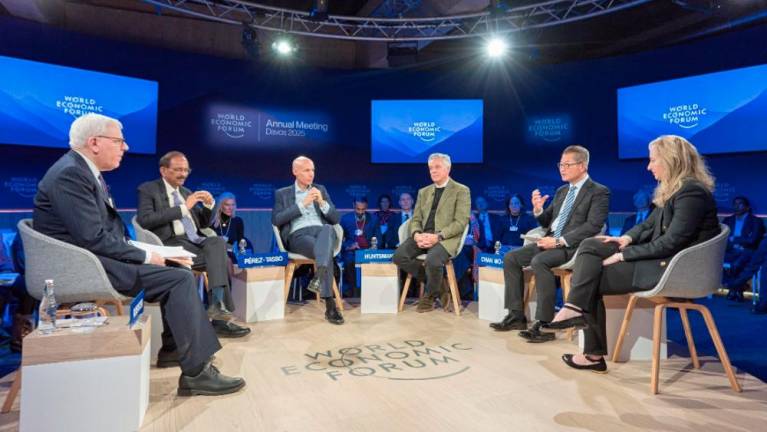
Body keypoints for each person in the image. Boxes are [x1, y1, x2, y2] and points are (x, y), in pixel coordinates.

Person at [33, 113, 244, 396]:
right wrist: (148, 256)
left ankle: (174, 350)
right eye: (119, 141)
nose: (126, 147)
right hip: (85, 266)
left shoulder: (82, 172)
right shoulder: (71, 174)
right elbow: (94, 238)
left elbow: (105, 235)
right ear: (94, 143)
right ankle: (196, 372)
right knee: (179, 278)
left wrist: (150, 250)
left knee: (179, 272)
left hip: (94, 258)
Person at [545, 135, 720, 373]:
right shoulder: (676, 189)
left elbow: (671, 243)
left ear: (671, 160)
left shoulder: (692, 193)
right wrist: (625, 239)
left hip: (670, 268)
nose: (649, 167)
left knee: (588, 278)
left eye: (653, 160)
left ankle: (592, 351)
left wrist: (623, 255)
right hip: (659, 259)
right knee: (590, 245)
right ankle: (575, 309)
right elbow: (648, 225)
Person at [490, 145, 610, 345]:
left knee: (540, 261)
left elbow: (594, 225)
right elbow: (547, 222)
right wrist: (538, 210)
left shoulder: (599, 192)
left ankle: (544, 323)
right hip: (549, 241)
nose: (561, 169)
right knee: (511, 258)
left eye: (567, 164)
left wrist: (558, 241)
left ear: (582, 166)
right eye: (560, 164)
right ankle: (516, 316)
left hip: (572, 247)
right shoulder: (563, 191)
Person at [136, 152, 250, 339]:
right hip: (169, 244)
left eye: (186, 170)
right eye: (178, 170)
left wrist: (208, 204)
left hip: (193, 242)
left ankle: (216, 306)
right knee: (219, 258)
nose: (183, 174)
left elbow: (203, 224)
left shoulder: (186, 193)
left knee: (217, 242)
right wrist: (183, 208)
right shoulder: (148, 190)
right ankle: (219, 317)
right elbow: (145, 220)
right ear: (163, 170)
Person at [392, 153, 471, 312]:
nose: (433, 171)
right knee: (399, 256)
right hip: (423, 236)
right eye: (430, 168)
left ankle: (429, 296)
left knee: (433, 260)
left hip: (445, 238)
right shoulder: (424, 191)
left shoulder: (461, 190)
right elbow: (415, 219)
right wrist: (416, 235)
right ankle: (440, 287)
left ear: (448, 168)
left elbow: (461, 222)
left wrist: (438, 236)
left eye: (437, 167)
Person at [272, 156, 344, 324]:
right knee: (324, 252)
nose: (311, 174)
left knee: (327, 230)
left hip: (323, 232)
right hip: (299, 236)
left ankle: (320, 278)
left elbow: (335, 218)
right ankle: (330, 305)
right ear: (295, 172)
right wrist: (301, 205)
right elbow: (277, 219)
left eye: (313, 170)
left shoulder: (321, 189)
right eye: (306, 170)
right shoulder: (283, 193)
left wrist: (322, 202)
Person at [722, 196, 765, 300]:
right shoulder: (727, 220)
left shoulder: (756, 221)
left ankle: (733, 287)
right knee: (716, 259)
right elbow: (722, 238)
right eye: (734, 204)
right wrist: (736, 241)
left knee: (740, 261)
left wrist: (735, 239)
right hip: (731, 251)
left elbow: (753, 240)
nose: (736, 206)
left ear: (747, 207)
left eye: (740, 204)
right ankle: (738, 287)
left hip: (747, 251)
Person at [340, 196, 377, 296]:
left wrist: (373, 247)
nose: (360, 212)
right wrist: (348, 246)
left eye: (363, 209)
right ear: (353, 206)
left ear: (367, 207)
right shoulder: (345, 219)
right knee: (349, 262)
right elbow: (338, 240)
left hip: (368, 252)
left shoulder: (373, 219)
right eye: (358, 209)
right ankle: (353, 293)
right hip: (352, 252)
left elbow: (379, 238)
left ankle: (368, 293)